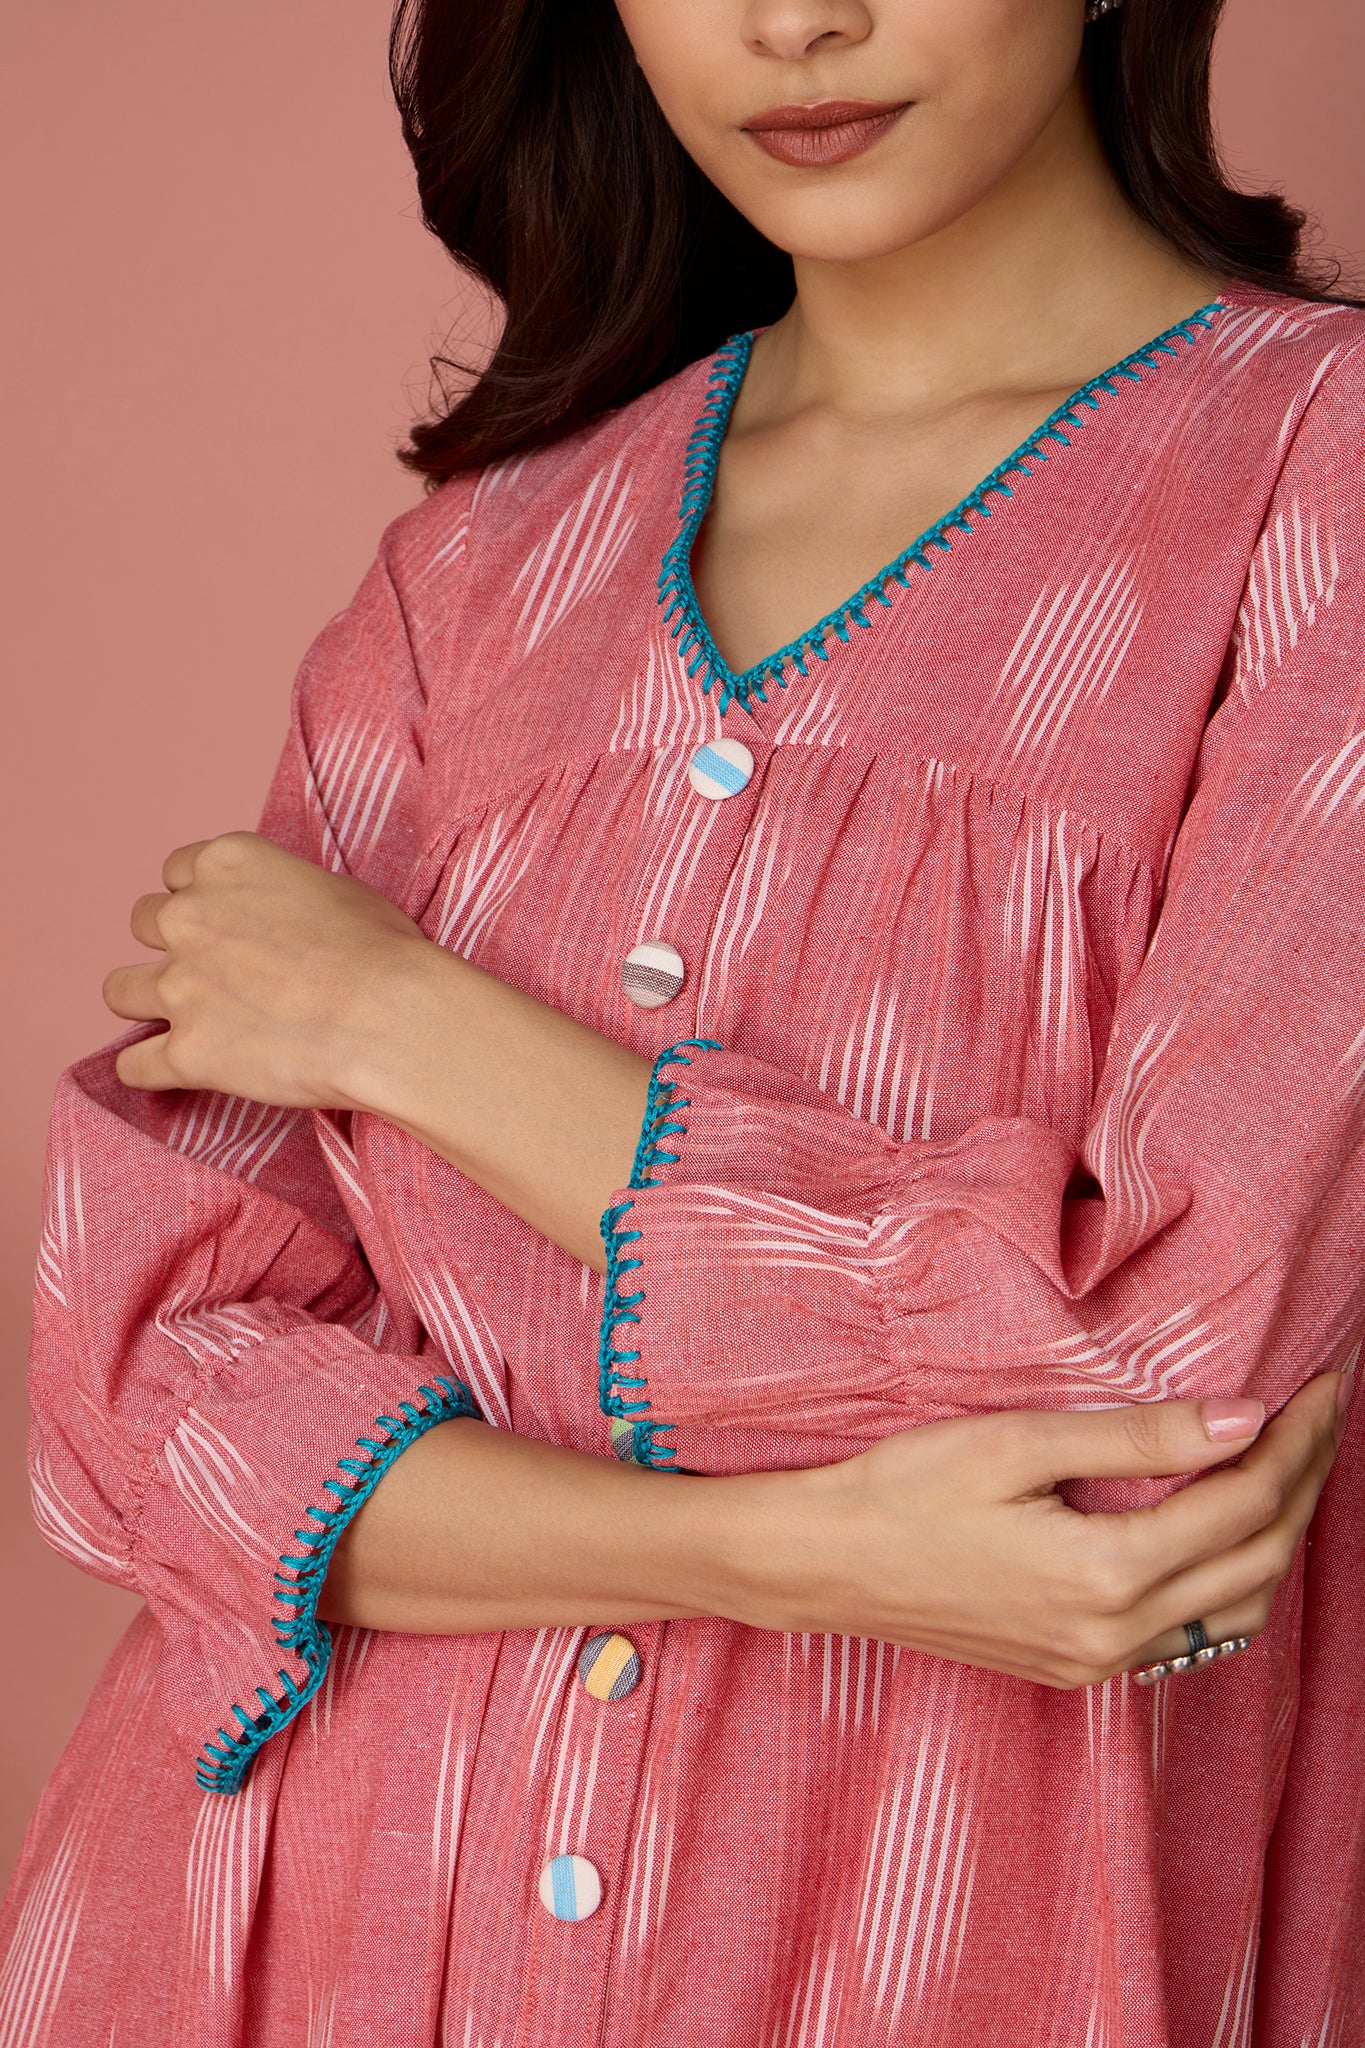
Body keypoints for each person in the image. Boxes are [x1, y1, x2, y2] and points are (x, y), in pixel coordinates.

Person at [3, 0, 1362, 2040]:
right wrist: (797, 1552)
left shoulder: (1314, 482)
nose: (792, 21)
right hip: (292, 1942)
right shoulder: (473, 575)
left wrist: (409, 1028)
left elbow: (1156, 1390)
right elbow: (150, 1406)